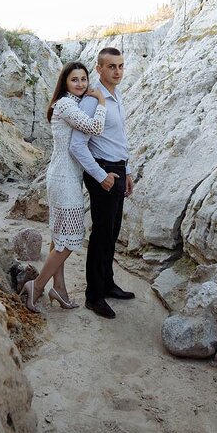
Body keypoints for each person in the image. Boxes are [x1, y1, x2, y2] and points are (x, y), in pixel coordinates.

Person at [19, 62, 107, 313]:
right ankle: (36, 286)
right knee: (70, 238)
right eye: (74, 80)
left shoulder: (72, 104)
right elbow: (95, 128)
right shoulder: (66, 104)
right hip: (63, 179)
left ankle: (60, 289)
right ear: (65, 83)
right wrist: (101, 102)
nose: (80, 84)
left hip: (63, 176)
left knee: (59, 236)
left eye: (83, 79)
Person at [69, 47, 135, 319]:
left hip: (117, 169)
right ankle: (93, 296)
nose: (117, 71)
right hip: (103, 171)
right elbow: (77, 145)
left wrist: (127, 170)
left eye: (120, 66)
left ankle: (107, 284)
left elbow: (119, 137)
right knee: (100, 235)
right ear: (99, 69)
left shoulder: (115, 96)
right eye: (111, 67)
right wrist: (101, 176)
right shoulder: (92, 100)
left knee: (112, 232)